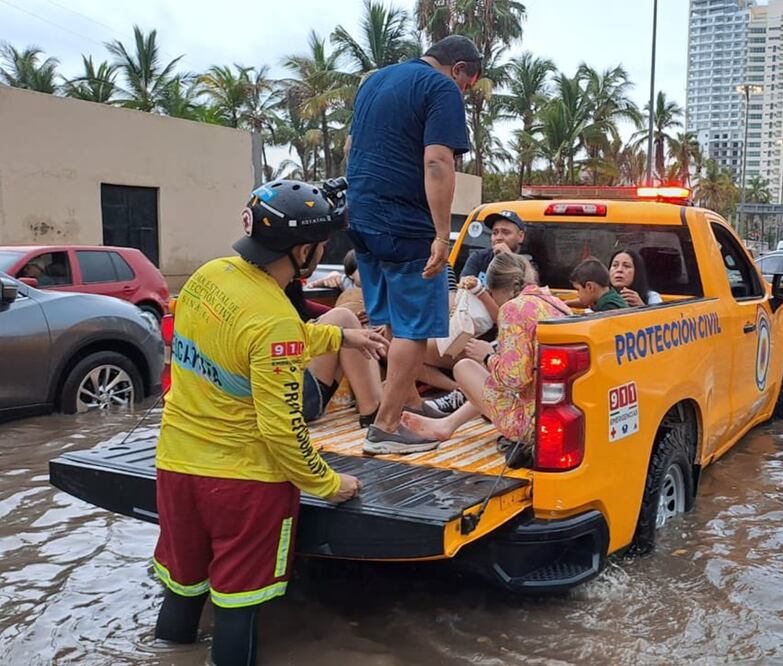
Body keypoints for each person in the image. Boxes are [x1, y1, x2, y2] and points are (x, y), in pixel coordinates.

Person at [151, 178, 389, 666]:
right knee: (240, 602)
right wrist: (328, 483)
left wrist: (342, 340)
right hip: (243, 485)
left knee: (184, 585)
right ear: (304, 250)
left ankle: (166, 653)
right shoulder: (273, 315)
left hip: (176, 466)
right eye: (320, 245)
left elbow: (252, 341)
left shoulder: (208, 276)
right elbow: (282, 430)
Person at [346, 34, 480, 454]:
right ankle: (385, 428)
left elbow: (352, 147)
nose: (462, 93)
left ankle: (410, 404)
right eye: (467, 85)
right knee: (415, 328)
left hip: (361, 214)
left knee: (389, 319)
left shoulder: (375, 81)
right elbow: (438, 160)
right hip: (404, 220)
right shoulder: (440, 87)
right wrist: (442, 234)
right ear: (459, 70)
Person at [401, 253, 572, 457]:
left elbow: (515, 379)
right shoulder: (556, 303)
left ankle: (445, 424)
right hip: (561, 414)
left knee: (464, 368)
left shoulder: (513, 309)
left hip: (533, 424)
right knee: (484, 374)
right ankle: (446, 425)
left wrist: (487, 356)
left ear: (495, 290)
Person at [461, 210, 527, 289]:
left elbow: (527, 291)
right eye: (495, 233)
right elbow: (463, 285)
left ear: (520, 236)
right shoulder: (479, 257)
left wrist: (509, 258)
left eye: (506, 232)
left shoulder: (528, 262)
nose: (498, 238)